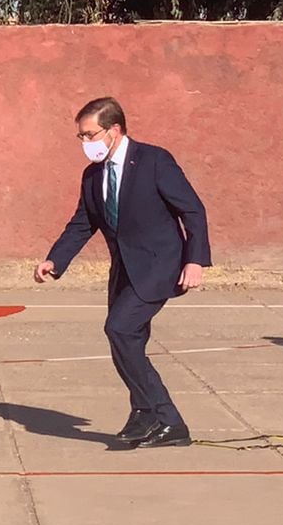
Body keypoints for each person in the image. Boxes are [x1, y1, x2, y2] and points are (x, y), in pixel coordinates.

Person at [34, 96, 211, 447]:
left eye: (90, 135)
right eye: (80, 137)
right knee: (127, 341)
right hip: (124, 270)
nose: (85, 143)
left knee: (119, 329)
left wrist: (195, 260)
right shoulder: (93, 175)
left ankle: (169, 420)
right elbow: (83, 223)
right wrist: (55, 260)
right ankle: (144, 414)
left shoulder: (154, 161)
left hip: (160, 266)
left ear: (114, 130)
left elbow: (192, 210)